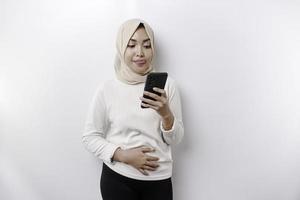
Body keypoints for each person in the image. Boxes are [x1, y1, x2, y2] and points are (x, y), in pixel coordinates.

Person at [82, 18, 184, 200]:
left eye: (146, 45)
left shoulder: (168, 86)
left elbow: (175, 139)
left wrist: (166, 115)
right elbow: (90, 137)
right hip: (118, 179)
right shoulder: (107, 89)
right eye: (131, 45)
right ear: (122, 48)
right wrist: (123, 155)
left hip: (159, 181)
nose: (140, 53)